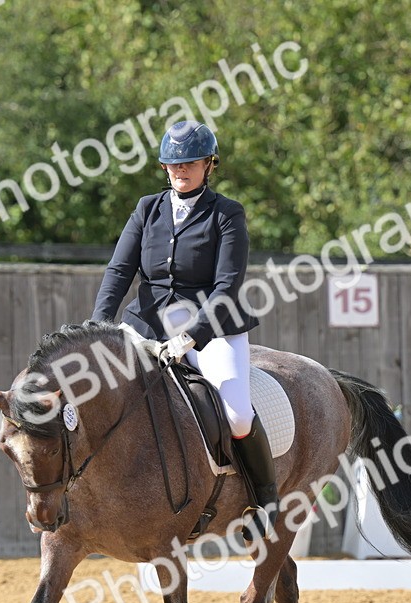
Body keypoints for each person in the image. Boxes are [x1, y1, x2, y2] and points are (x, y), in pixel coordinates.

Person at [91, 120, 278, 540]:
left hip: (212, 326)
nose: (181, 171)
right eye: (173, 165)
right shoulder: (147, 209)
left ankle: (265, 501)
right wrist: (100, 324)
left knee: (237, 414)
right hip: (147, 322)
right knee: (102, 391)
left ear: (210, 165)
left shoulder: (226, 213)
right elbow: (120, 270)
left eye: (191, 163)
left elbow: (227, 285)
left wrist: (191, 337)